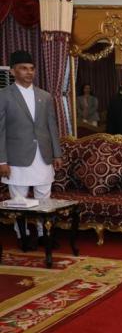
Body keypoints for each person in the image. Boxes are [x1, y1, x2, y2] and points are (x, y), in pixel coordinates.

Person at [0, 50, 63, 241]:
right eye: (23, 69)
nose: (29, 72)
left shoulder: (44, 96)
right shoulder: (4, 95)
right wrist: (1, 161)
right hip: (16, 156)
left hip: (43, 155)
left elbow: (52, 126)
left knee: (44, 195)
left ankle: (45, 233)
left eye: (31, 69)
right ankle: (23, 235)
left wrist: (57, 154)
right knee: (19, 199)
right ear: (13, 72)